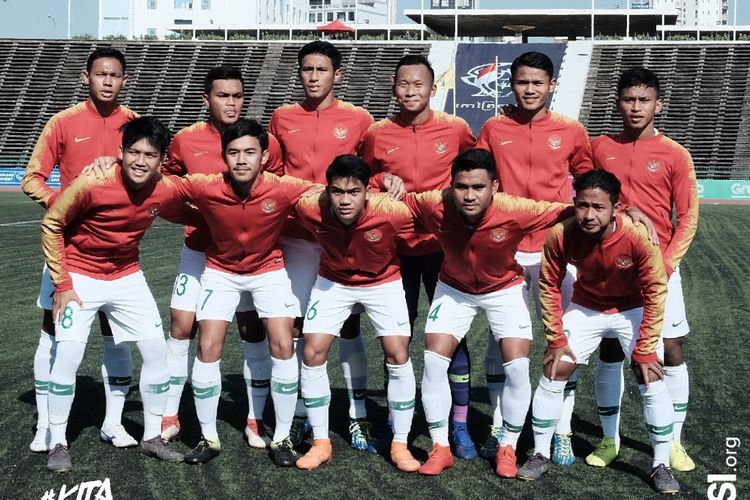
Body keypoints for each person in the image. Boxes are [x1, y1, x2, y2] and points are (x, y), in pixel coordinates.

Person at [403, 148, 575, 477]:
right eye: (461, 186)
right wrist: (385, 182)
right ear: (451, 185)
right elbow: (395, 201)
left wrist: (625, 212)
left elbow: (567, 211)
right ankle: (440, 447)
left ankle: (507, 448)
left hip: (504, 290)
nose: (468, 195)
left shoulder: (515, 209)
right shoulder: (432, 204)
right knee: (434, 363)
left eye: (478, 187)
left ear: (494, 186)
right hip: (454, 289)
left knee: (517, 368)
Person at [40, 116, 192, 473]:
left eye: (150, 154)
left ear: (162, 159)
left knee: (157, 352)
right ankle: (57, 441)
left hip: (126, 275)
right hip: (80, 274)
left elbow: (203, 197)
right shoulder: (93, 181)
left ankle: (152, 437)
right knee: (68, 356)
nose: (141, 161)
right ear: (120, 153)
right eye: (134, 152)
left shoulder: (166, 187)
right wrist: (63, 284)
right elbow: (52, 223)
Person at [516, 169, 680, 495]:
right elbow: (549, 285)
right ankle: (540, 453)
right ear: (574, 203)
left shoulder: (636, 237)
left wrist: (646, 347)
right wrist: (557, 339)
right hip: (586, 307)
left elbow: (656, 291)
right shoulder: (561, 235)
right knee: (555, 366)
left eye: (599, 207)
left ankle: (661, 463)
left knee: (649, 371)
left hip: (631, 308)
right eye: (582, 206)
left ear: (616, 207)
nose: (589, 215)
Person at [166, 118, 316, 466]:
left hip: (268, 272)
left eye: (250, 152)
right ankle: (207, 438)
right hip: (220, 273)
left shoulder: (283, 187)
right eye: (233, 153)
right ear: (224, 157)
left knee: (282, 344)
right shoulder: (205, 185)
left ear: (264, 156)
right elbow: (164, 186)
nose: (242, 159)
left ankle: (281, 439)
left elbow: (327, 192)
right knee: (207, 346)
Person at [475, 51, 593, 463]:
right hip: (504, 248)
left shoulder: (571, 131)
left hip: (556, 249)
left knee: (563, 338)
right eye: (522, 82)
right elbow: (477, 178)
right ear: (512, 83)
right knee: (501, 339)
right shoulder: (493, 127)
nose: (529, 89)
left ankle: (561, 429)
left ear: (552, 85)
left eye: (537, 83)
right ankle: (498, 426)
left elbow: (588, 181)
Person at [360, 54, 478, 459]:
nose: (411, 91)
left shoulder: (456, 129)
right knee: (398, 339)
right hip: (395, 249)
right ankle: (397, 424)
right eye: (404, 84)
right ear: (394, 86)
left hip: (445, 248)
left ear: (433, 88)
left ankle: (459, 427)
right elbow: (363, 177)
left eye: (419, 84)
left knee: (451, 336)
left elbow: (474, 173)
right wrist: (380, 179)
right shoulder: (378, 133)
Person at [22, 47, 139, 453]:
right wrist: (64, 206)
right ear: (86, 77)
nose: (108, 81)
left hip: (119, 256)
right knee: (52, 333)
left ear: (125, 80)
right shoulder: (63, 123)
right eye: (101, 74)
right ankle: (45, 426)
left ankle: (113, 423)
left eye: (115, 75)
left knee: (117, 336)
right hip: (68, 250)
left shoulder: (135, 126)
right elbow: (32, 178)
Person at [582, 67, 699, 472]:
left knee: (670, 350)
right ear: (618, 103)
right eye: (629, 99)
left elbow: (687, 218)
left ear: (657, 105)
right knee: (612, 348)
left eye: (643, 100)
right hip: (609, 267)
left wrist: (666, 264)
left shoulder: (675, 154)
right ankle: (609, 438)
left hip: (659, 269)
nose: (636, 107)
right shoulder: (599, 147)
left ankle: (675, 440)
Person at [160, 66, 282, 449]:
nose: (231, 103)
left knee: (251, 328)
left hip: (249, 256)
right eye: (222, 96)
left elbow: (273, 189)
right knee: (182, 326)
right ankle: (170, 413)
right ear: (206, 100)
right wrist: (197, 216)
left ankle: (254, 418)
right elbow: (166, 186)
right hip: (200, 251)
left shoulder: (264, 141)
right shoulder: (185, 140)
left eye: (237, 96)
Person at [268, 40, 376, 451]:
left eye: (321, 70)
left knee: (347, 325)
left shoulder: (359, 119)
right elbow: (275, 172)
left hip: (342, 237)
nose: (313, 77)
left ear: (337, 75)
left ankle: (357, 416)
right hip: (295, 239)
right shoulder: (282, 117)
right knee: (297, 328)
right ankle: (300, 415)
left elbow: (371, 172)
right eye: (306, 70)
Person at [292, 154, 420, 473]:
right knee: (312, 352)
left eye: (353, 192)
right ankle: (321, 443)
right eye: (337, 192)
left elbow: (433, 215)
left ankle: (400, 444)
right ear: (327, 190)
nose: (345, 200)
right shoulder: (310, 206)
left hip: (383, 282)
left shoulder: (392, 210)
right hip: (333, 281)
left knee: (398, 354)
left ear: (366, 191)